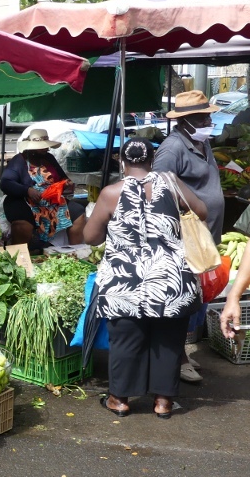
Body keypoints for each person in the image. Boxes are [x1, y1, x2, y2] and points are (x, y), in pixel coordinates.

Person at [84, 138, 206, 419]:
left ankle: (119, 400)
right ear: (152, 160)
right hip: (171, 281)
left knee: (125, 341)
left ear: (122, 162)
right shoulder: (171, 184)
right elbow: (201, 211)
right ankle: (163, 403)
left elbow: (90, 237)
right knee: (169, 341)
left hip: (125, 283)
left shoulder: (111, 193)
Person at [153, 90, 222, 383]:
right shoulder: (172, 150)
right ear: (186, 121)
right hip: (185, 240)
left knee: (194, 300)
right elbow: (157, 190)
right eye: (202, 118)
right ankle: (177, 359)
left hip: (204, 239)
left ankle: (181, 352)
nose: (208, 122)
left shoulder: (201, 143)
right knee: (180, 303)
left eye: (208, 117)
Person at [0, 128, 86, 249]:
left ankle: (74, 252)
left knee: (78, 213)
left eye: (46, 147)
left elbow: (62, 178)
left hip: (50, 203)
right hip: (24, 200)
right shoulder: (18, 161)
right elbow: (5, 183)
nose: (46, 149)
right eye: (41, 147)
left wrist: (66, 183)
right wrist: (27, 190)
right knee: (23, 225)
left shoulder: (49, 158)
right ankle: (19, 256)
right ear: (31, 148)